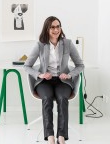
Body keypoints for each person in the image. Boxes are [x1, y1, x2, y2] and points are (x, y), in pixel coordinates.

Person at [24, 16, 84, 144]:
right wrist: (40, 75)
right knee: (47, 99)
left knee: (62, 99)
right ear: (47, 29)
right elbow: (27, 66)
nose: (56, 29)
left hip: (63, 81)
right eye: (52, 27)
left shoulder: (68, 44)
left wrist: (69, 75)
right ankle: (50, 137)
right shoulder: (40, 45)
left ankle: (61, 137)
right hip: (45, 82)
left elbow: (80, 65)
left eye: (58, 26)